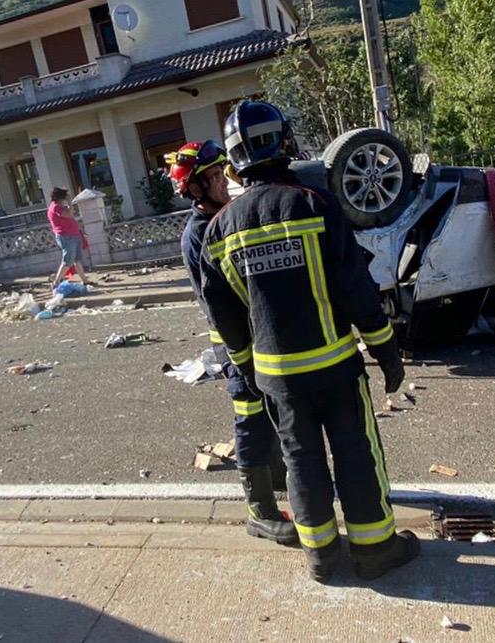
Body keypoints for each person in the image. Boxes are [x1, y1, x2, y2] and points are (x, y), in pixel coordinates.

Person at [199, 100, 419, 583]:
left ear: (235, 160)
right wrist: (387, 354)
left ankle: (320, 556)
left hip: (276, 378)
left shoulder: (217, 232)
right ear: (285, 143)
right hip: (336, 366)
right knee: (356, 452)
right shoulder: (316, 205)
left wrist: (249, 377)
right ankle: (375, 549)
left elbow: (226, 321)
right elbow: (357, 292)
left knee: (300, 460)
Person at [168, 140, 296, 546]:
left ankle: (276, 477)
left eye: (223, 174)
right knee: (250, 419)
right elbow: (222, 300)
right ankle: (259, 510)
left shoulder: (219, 219)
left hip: (255, 337)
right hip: (236, 343)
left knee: (271, 409)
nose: (224, 183)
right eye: (213, 178)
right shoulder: (201, 234)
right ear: (196, 189)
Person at [47, 187, 90, 289]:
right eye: (66, 196)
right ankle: (56, 282)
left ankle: (84, 280)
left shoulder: (61, 206)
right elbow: (69, 214)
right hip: (66, 236)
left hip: (74, 235)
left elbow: (71, 214)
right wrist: (70, 202)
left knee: (77, 259)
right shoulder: (55, 207)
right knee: (68, 260)